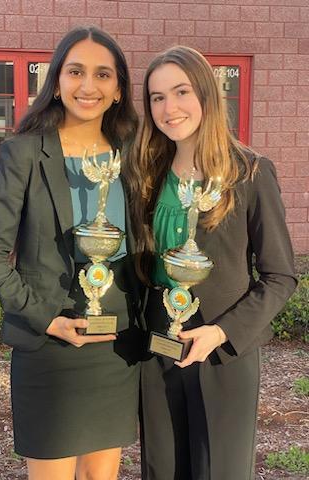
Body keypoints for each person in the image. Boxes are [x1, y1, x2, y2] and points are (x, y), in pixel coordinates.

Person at [0, 26, 143, 480]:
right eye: (76, 71)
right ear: (57, 80)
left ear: (119, 88)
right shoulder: (23, 153)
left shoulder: (135, 156)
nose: (89, 85)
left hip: (116, 343)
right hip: (51, 343)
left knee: (100, 476)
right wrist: (46, 317)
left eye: (103, 74)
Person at [131, 46, 297, 480]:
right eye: (156, 97)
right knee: (161, 469)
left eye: (181, 91)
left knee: (217, 470)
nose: (169, 108)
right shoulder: (147, 172)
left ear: (206, 93)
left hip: (222, 352)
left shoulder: (251, 172)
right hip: (159, 347)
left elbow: (280, 276)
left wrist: (222, 331)